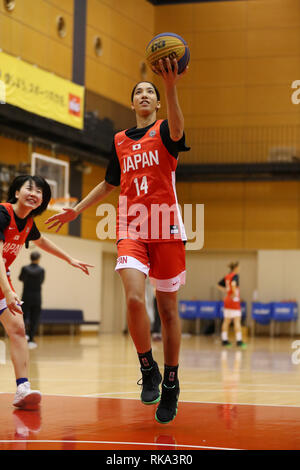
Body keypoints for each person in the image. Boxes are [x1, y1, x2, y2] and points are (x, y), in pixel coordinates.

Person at [45, 57, 189, 424]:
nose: (144, 95)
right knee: (133, 296)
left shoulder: (166, 131)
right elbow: (110, 183)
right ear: (132, 104)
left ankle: (171, 383)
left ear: (156, 103)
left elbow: (178, 127)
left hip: (166, 225)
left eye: (150, 92)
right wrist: (76, 210)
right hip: (132, 226)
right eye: (139, 92)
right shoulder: (119, 141)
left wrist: (170, 87)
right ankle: (148, 367)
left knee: (168, 311)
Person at [0, 175, 93, 409]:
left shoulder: (28, 223)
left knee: (19, 329)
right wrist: (8, 292)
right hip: (2, 275)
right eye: (29, 189)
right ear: (16, 192)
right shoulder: (2, 214)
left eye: (40, 191)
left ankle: (23, 388)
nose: (35, 193)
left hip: (2, 277)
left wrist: (70, 259)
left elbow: (42, 242)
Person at [19, 251, 45, 350]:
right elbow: (41, 281)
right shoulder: (41, 270)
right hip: (37, 297)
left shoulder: (25, 268)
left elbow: (20, 278)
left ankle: (23, 337)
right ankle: (31, 340)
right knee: (34, 319)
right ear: (38, 259)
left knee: (23, 317)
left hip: (26, 296)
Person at [217, 261, 246, 348]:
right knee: (237, 321)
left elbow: (219, 285)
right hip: (233, 300)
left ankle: (224, 340)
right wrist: (233, 294)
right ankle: (239, 341)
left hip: (227, 300)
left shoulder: (227, 276)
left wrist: (226, 291)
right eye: (239, 267)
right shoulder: (235, 276)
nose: (240, 269)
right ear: (235, 268)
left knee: (226, 321)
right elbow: (233, 285)